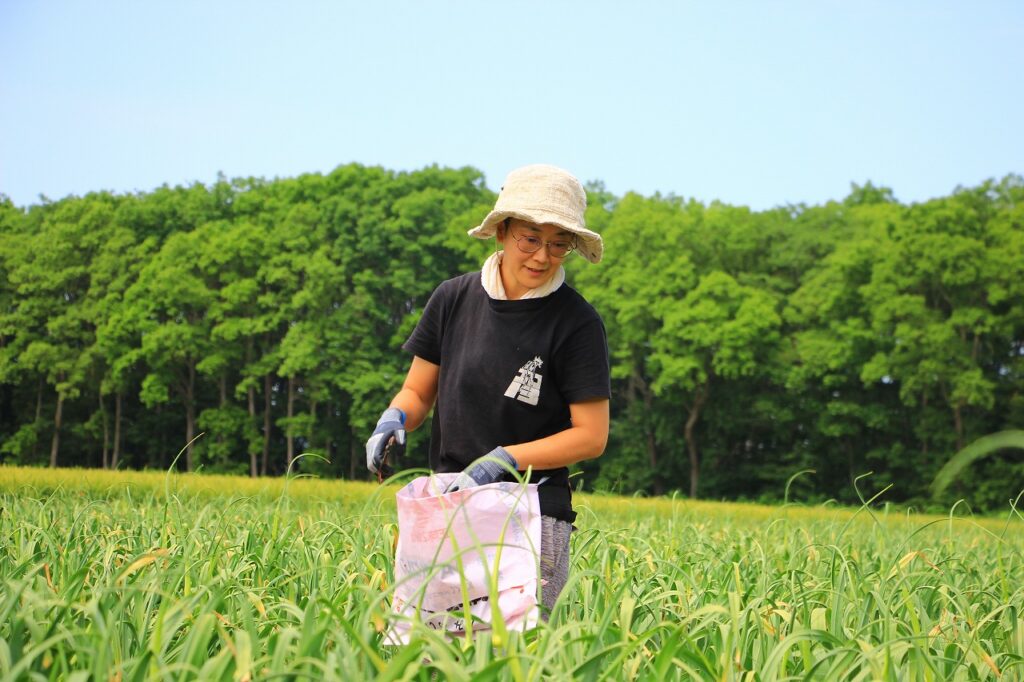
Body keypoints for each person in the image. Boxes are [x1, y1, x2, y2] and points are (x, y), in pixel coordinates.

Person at [365, 163, 611, 616]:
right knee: (427, 648)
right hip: (448, 503)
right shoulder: (452, 299)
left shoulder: (577, 324)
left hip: (532, 511)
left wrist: (505, 460)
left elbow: (591, 436)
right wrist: (393, 417)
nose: (542, 256)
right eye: (530, 238)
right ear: (502, 232)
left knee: (519, 655)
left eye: (559, 244)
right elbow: (418, 393)